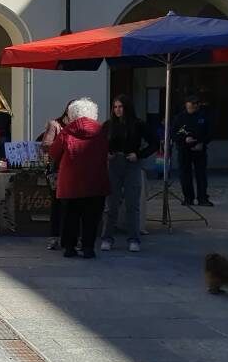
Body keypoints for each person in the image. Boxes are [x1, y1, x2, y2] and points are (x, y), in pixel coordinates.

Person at [49, 97, 110, 259]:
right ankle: (88, 248)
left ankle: (70, 248)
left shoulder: (67, 132)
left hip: (71, 182)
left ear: (72, 114)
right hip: (96, 181)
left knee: (70, 216)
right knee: (92, 217)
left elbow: (54, 153)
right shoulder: (102, 131)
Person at [100, 95, 157, 253]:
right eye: (115, 107)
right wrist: (106, 153)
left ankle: (133, 239)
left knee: (133, 204)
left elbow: (154, 142)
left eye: (121, 106)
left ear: (127, 107)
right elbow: (98, 142)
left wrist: (139, 155)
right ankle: (107, 238)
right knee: (111, 205)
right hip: (113, 164)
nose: (118, 110)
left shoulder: (138, 124)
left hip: (131, 164)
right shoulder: (108, 125)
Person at [41, 102, 71, 250]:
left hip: (73, 171)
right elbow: (45, 145)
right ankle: (54, 237)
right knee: (57, 204)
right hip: (57, 170)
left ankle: (69, 237)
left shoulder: (77, 126)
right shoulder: (55, 125)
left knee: (71, 206)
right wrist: (64, 146)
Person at [171, 95, 212, 206]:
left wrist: (201, 142)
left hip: (199, 149)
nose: (194, 105)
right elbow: (173, 133)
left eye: (196, 103)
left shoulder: (203, 116)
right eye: (192, 103)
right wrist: (184, 139)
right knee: (185, 175)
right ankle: (188, 198)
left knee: (201, 175)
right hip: (184, 150)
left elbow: (210, 133)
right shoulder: (179, 118)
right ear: (186, 104)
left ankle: (202, 198)